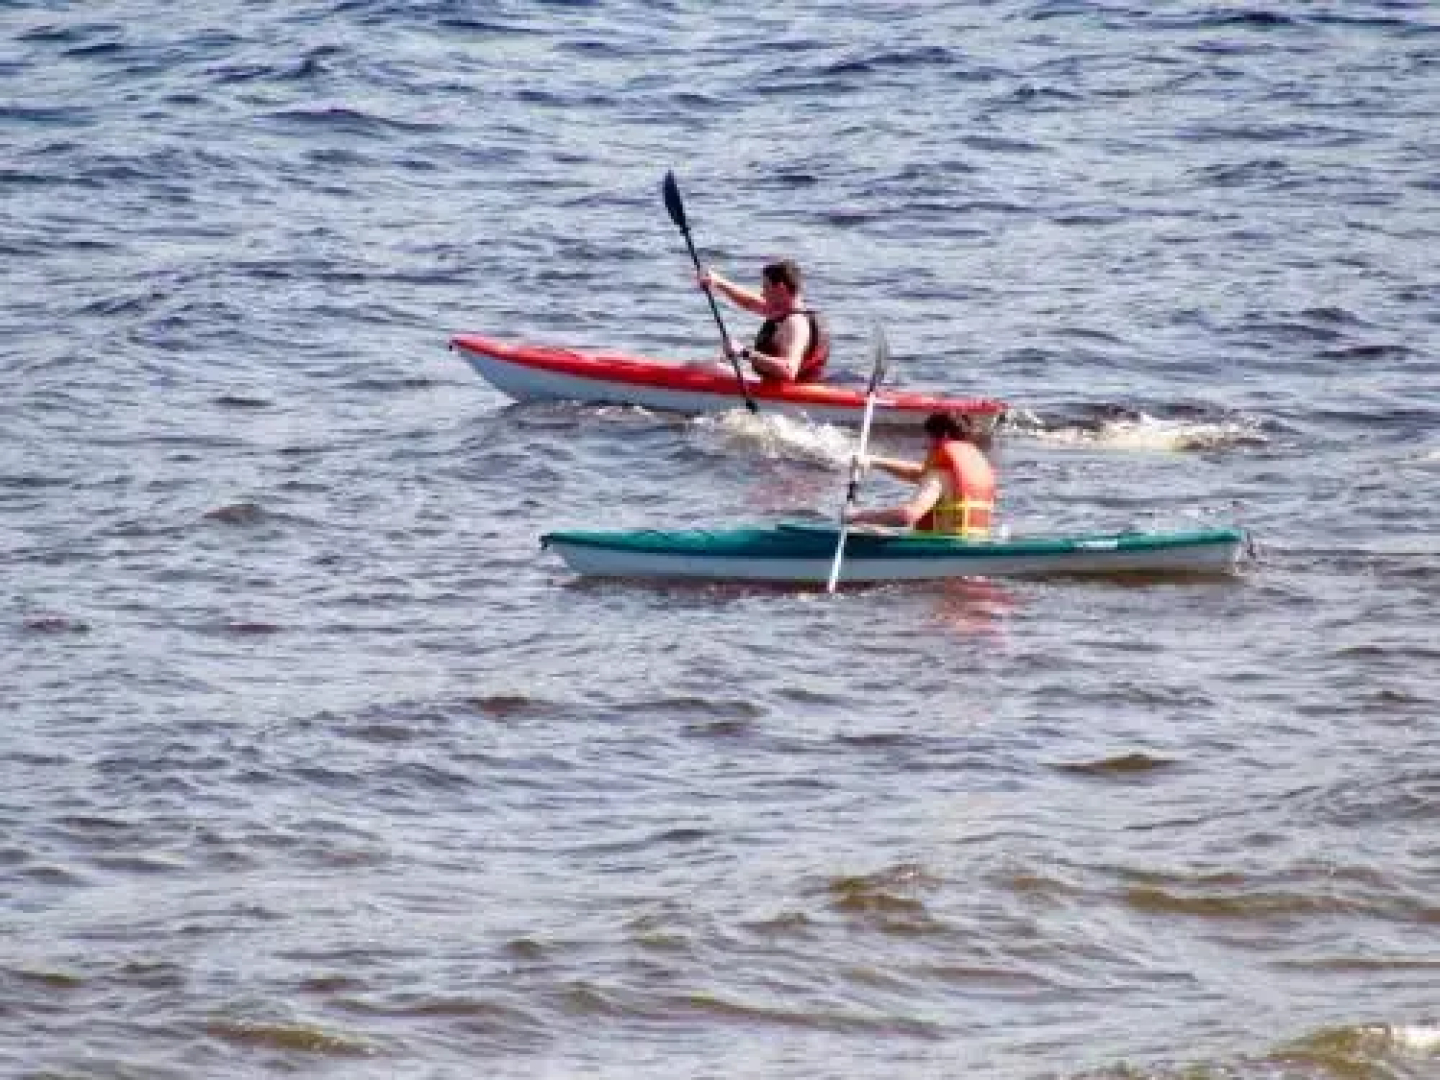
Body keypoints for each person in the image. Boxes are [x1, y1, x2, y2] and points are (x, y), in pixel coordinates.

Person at [844, 411, 997, 537]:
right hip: (971, 544)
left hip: (941, 553)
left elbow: (908, 515)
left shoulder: (939, 475)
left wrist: (857, 517)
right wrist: (873, 461)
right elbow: (919, 474)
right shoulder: (968, 465)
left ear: (943, 437)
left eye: (928, 438)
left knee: (863, 529)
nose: (925, 445)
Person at [697, 259, 830, 382]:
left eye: (766, 287)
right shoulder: (784, 312)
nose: (762, 293)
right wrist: (719, 282)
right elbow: (749, 302)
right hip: (781, 387)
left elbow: (789, 370)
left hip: (784, 393)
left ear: (781, 288)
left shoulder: (795, 324)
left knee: (701, 368)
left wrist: (744, 352)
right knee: (714, 365)